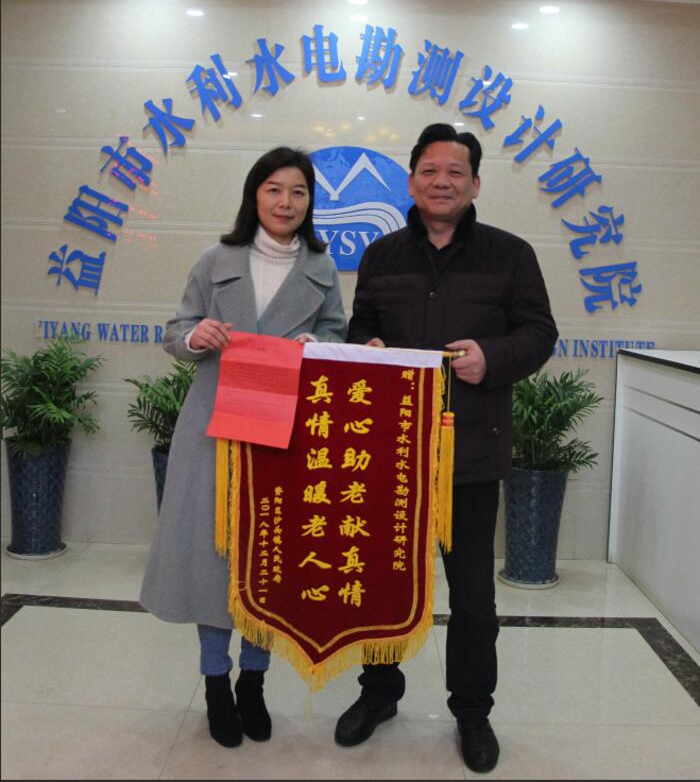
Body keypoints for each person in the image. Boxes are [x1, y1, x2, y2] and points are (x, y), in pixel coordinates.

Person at [334, 124, 557, 772]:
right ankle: (379, 693)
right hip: (390, 452)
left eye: (455, 172)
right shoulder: (381, 255)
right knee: (382, 584)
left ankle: (472, 711)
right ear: (411, 181)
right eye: (430, 171)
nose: (442, 182)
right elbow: (360, 328)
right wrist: (367, 348)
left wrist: (493, 357)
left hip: (471, 453)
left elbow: (539, 333)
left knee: (474, 599)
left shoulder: (510, 255)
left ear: (475, 184)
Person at [140, 146, 347, 749]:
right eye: (274, 189)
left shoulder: (321, 268)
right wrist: (195, 336)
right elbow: (176, 332)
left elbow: (336, 332)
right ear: (255, 195)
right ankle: (215, 684)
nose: (286, 202)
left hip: (285, 430)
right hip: (215, 426)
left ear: (310, 202)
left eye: (298, 192)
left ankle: (252, 683)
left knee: (267, 560)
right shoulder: (216, 259)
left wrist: (315, 345)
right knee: (212, 560)